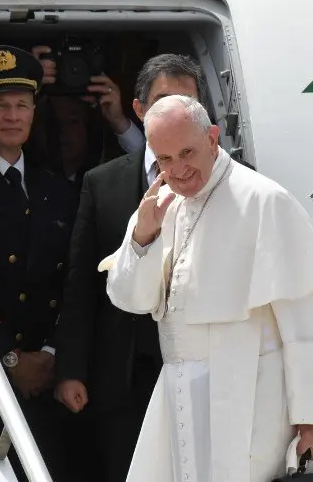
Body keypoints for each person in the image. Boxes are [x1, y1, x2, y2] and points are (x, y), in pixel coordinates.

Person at [97, 94, 313, 482]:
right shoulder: (160, 204)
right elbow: (131, 299)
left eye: (187, 153)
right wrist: (143, 236)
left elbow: (308, 321)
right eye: (164, 160)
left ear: (213, 137)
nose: (177, 170)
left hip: (247, 389)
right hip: (177, 388)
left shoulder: (264, 200)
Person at [53, 54, 205, 482]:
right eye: (161, 101)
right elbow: (82, 284)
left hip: (203, 372)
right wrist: (70, 370)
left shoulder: (235, 183)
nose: (174, 111)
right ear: (138, 110)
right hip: (124, 375)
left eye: (186, 102)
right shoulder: (102, 183)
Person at [0, 45, 80, 481]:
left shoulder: (56, 189)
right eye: (0, 106)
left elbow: (73, 278)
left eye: (21, 105)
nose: (12, 116)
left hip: (49, 375)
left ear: (34, 112)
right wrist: (11, 358)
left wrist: (51, 354)